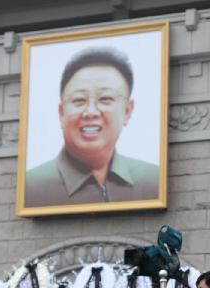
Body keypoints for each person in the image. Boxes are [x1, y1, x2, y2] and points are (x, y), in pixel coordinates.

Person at [25, 46, 159, 207]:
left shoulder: (154, 180)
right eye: (79, 100)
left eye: (105, 99)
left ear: (127, 111)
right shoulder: (32, 186)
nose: (91, 112)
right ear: (61, 113)